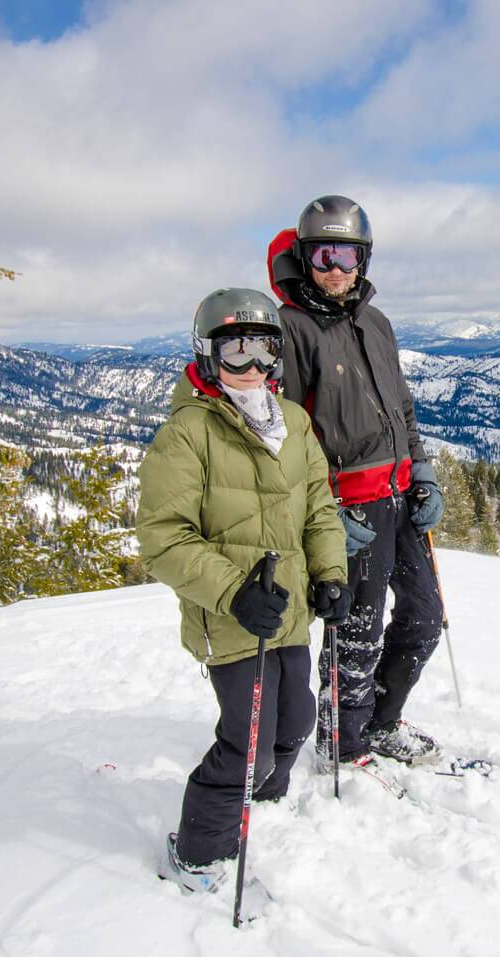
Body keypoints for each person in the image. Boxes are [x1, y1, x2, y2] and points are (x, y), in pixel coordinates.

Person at [137, 288, 353, 893]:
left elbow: (318, 509)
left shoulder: (294, 423)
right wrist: (234, 592)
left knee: (298, 718)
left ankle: (263, 797)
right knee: (249, 742)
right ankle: (201, 851)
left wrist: (330, 573)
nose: (251, 367)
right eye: (235, 352)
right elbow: (163, 537)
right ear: (208, 357)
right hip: (233, 620)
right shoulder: (188, 435)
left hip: (289, 612)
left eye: (263, 350)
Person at [267, 195, 446, 766]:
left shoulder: (376, 322)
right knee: (357, 636)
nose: (336, 269)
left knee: (424, 617)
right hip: (351, 511)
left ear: (363, 259)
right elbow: (284, 436)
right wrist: (319, 513)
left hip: (399, 499)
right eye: (323, 256)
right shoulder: (290, 329)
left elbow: (402, 407)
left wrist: (421, 472)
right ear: (304, 257)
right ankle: (341, 742)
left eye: (347, 255)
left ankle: (379, 722)